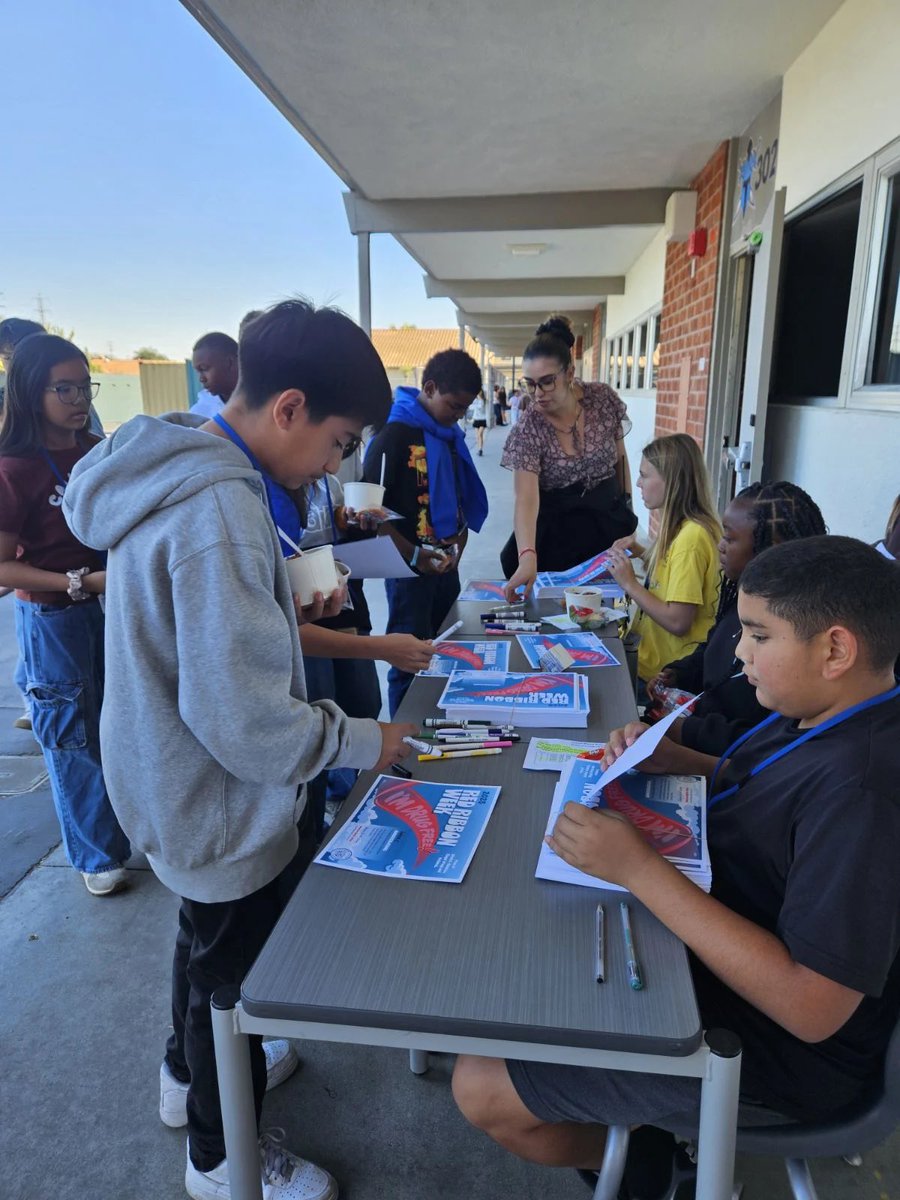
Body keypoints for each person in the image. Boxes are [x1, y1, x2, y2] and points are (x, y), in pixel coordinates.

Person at [64, 299, 417, 1200]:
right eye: (340, 443)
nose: (337, 465)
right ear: (290, 408)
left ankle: (186, 1077)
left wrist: (279, 612)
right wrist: (369, 739)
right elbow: (248, 722)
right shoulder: (221, 507)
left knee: (203, 938)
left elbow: (205, 642)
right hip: (214, 790)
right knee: (239, 977)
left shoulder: (179, 460)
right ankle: (226, 1155)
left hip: (165, 772)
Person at [453, 535, 900, 1188]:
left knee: (481, 1084)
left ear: (834, 649)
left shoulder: (863, 794)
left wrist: (638, 870)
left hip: (777, 1051)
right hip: (712, 940)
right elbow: (777, 792)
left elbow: (813, 1006)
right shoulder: (828, 713)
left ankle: (649, 1168)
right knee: (511, 961)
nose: (739, 653)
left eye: (758, 636)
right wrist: (683, 761)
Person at [0, 334, 131, 895]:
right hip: (54, 617)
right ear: (32, 394)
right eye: (65, 388)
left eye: (85, 385)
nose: (80, 399)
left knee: (122, 722)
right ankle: (96, 854)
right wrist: (75, 583)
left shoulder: (97, 451)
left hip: (114, 606)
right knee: (72, 736)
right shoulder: (14, 468)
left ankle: (127, 829)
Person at [646, 481, 827, 755]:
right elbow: (713, 648)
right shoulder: (739, 602)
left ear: (770, 549)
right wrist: (680, 672)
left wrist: (685, 730)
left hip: (715, 763)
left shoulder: (797, 636)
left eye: (729, 538)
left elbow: (765, 739)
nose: (720, 546)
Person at [362, 349, 486, 715]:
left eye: (465, 409)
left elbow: (462, 498)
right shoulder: (392, 434)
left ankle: (439, 721)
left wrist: (458, 545)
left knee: (447, 647)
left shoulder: (448, 435)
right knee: (409, 658)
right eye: (454, 406)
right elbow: (370, 513)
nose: (459, 416)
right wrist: (416, 556)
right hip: (407, 570)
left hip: (444, 563)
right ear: (429, 388)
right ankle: (405, 734)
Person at [501, 315, 636, 601]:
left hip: (606, 526)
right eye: (530, 384)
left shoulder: (602, 399)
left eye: (547, 382)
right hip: (558, 535)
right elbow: (525, 498)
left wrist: (627, 512)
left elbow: (620, 459)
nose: (538, 394)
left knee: (609, 611)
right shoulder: (529, 427)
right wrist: (527, 555)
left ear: (570, 372)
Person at [606, 433, 721, 690]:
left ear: (671, 481)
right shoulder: (680, 528)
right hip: (653, 666)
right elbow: (670, 580)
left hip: (667, 676)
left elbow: (678, 621)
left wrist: (630, 585)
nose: (637, 483)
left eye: (645, 475)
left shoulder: (691, 538)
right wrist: (641, 552)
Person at [190, 331, 239, 418]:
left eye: (204, 369)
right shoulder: (199, 413)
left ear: (230, 362)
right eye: (198, 371)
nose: (201, 379)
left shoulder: (265, 402)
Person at [470, 389, 488, 455]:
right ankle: (479, 449)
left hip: (483, 419)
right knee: (478, 436)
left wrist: (475, 405)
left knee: (480, 434)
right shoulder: (475, 400)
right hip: (476, 419)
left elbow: (480, 407)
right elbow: (470, 407)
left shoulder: (483, 401)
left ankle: (480, 449)